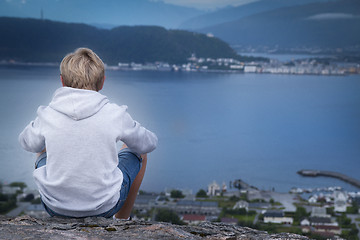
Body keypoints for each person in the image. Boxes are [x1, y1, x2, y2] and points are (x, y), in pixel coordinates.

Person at [18, 48, 158, 219]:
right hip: (105, 207)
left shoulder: (48, 113)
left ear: (62, 81)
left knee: (41, 147)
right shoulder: (115, 114)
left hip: (55, 207)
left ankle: (61, 206)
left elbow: (26, 142)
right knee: (140, 153)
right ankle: (122, 220)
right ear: (102, 82)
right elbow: (149, 143)